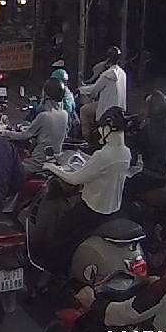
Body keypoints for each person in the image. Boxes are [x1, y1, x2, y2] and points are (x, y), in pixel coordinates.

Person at [43, 107, 133, 275]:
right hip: (114, 210)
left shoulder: (103, 155)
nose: (99, 131)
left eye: (101, 127)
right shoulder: (125, 153)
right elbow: (101, 169)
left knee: (60, 236)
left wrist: (52, 167)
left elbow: (74, 179)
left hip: (92, 210)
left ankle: (53, 273)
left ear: (108, 128)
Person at [1, 77, 69, 173]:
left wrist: (5, 132)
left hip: (38, 163)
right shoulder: (65, 114)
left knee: (7, 171)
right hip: (54, 161)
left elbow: (24, 135)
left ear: (46, 95)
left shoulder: (44, 116)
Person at [126, 91, 166, 197]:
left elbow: (133, 157)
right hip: (162, 175)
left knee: (124, 189)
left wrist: (131, 136)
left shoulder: (147, 130)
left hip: (149, 176)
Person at [79, 46, 128, 143]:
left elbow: (94, 89)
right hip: (119, 109)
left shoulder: (107, 74)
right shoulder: (122, 73)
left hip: (107, 109)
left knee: (84, 110)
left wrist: (80, 89)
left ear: (108, 59)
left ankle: (86, 139)